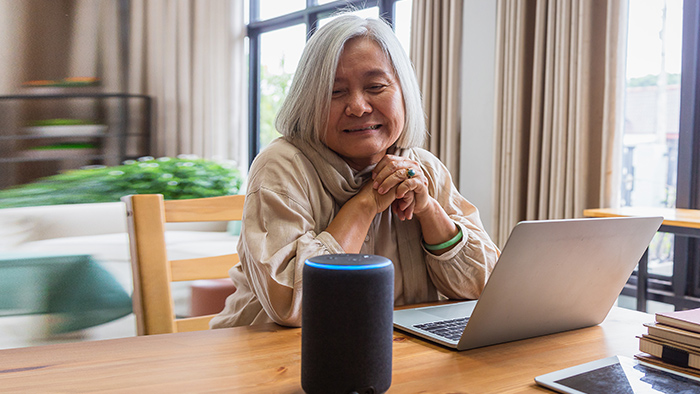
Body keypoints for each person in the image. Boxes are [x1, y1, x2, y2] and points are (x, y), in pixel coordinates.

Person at [210, 14, 500, 328]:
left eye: (375, 86)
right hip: (270, 359)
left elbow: (485, 288)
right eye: (335, 92)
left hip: (393, 354)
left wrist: (429, 210)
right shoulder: (282, 166)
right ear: (309, 102)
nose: (358, 106)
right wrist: (366, 203)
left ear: (403, 92)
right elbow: (292, 306)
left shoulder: (423, 166)